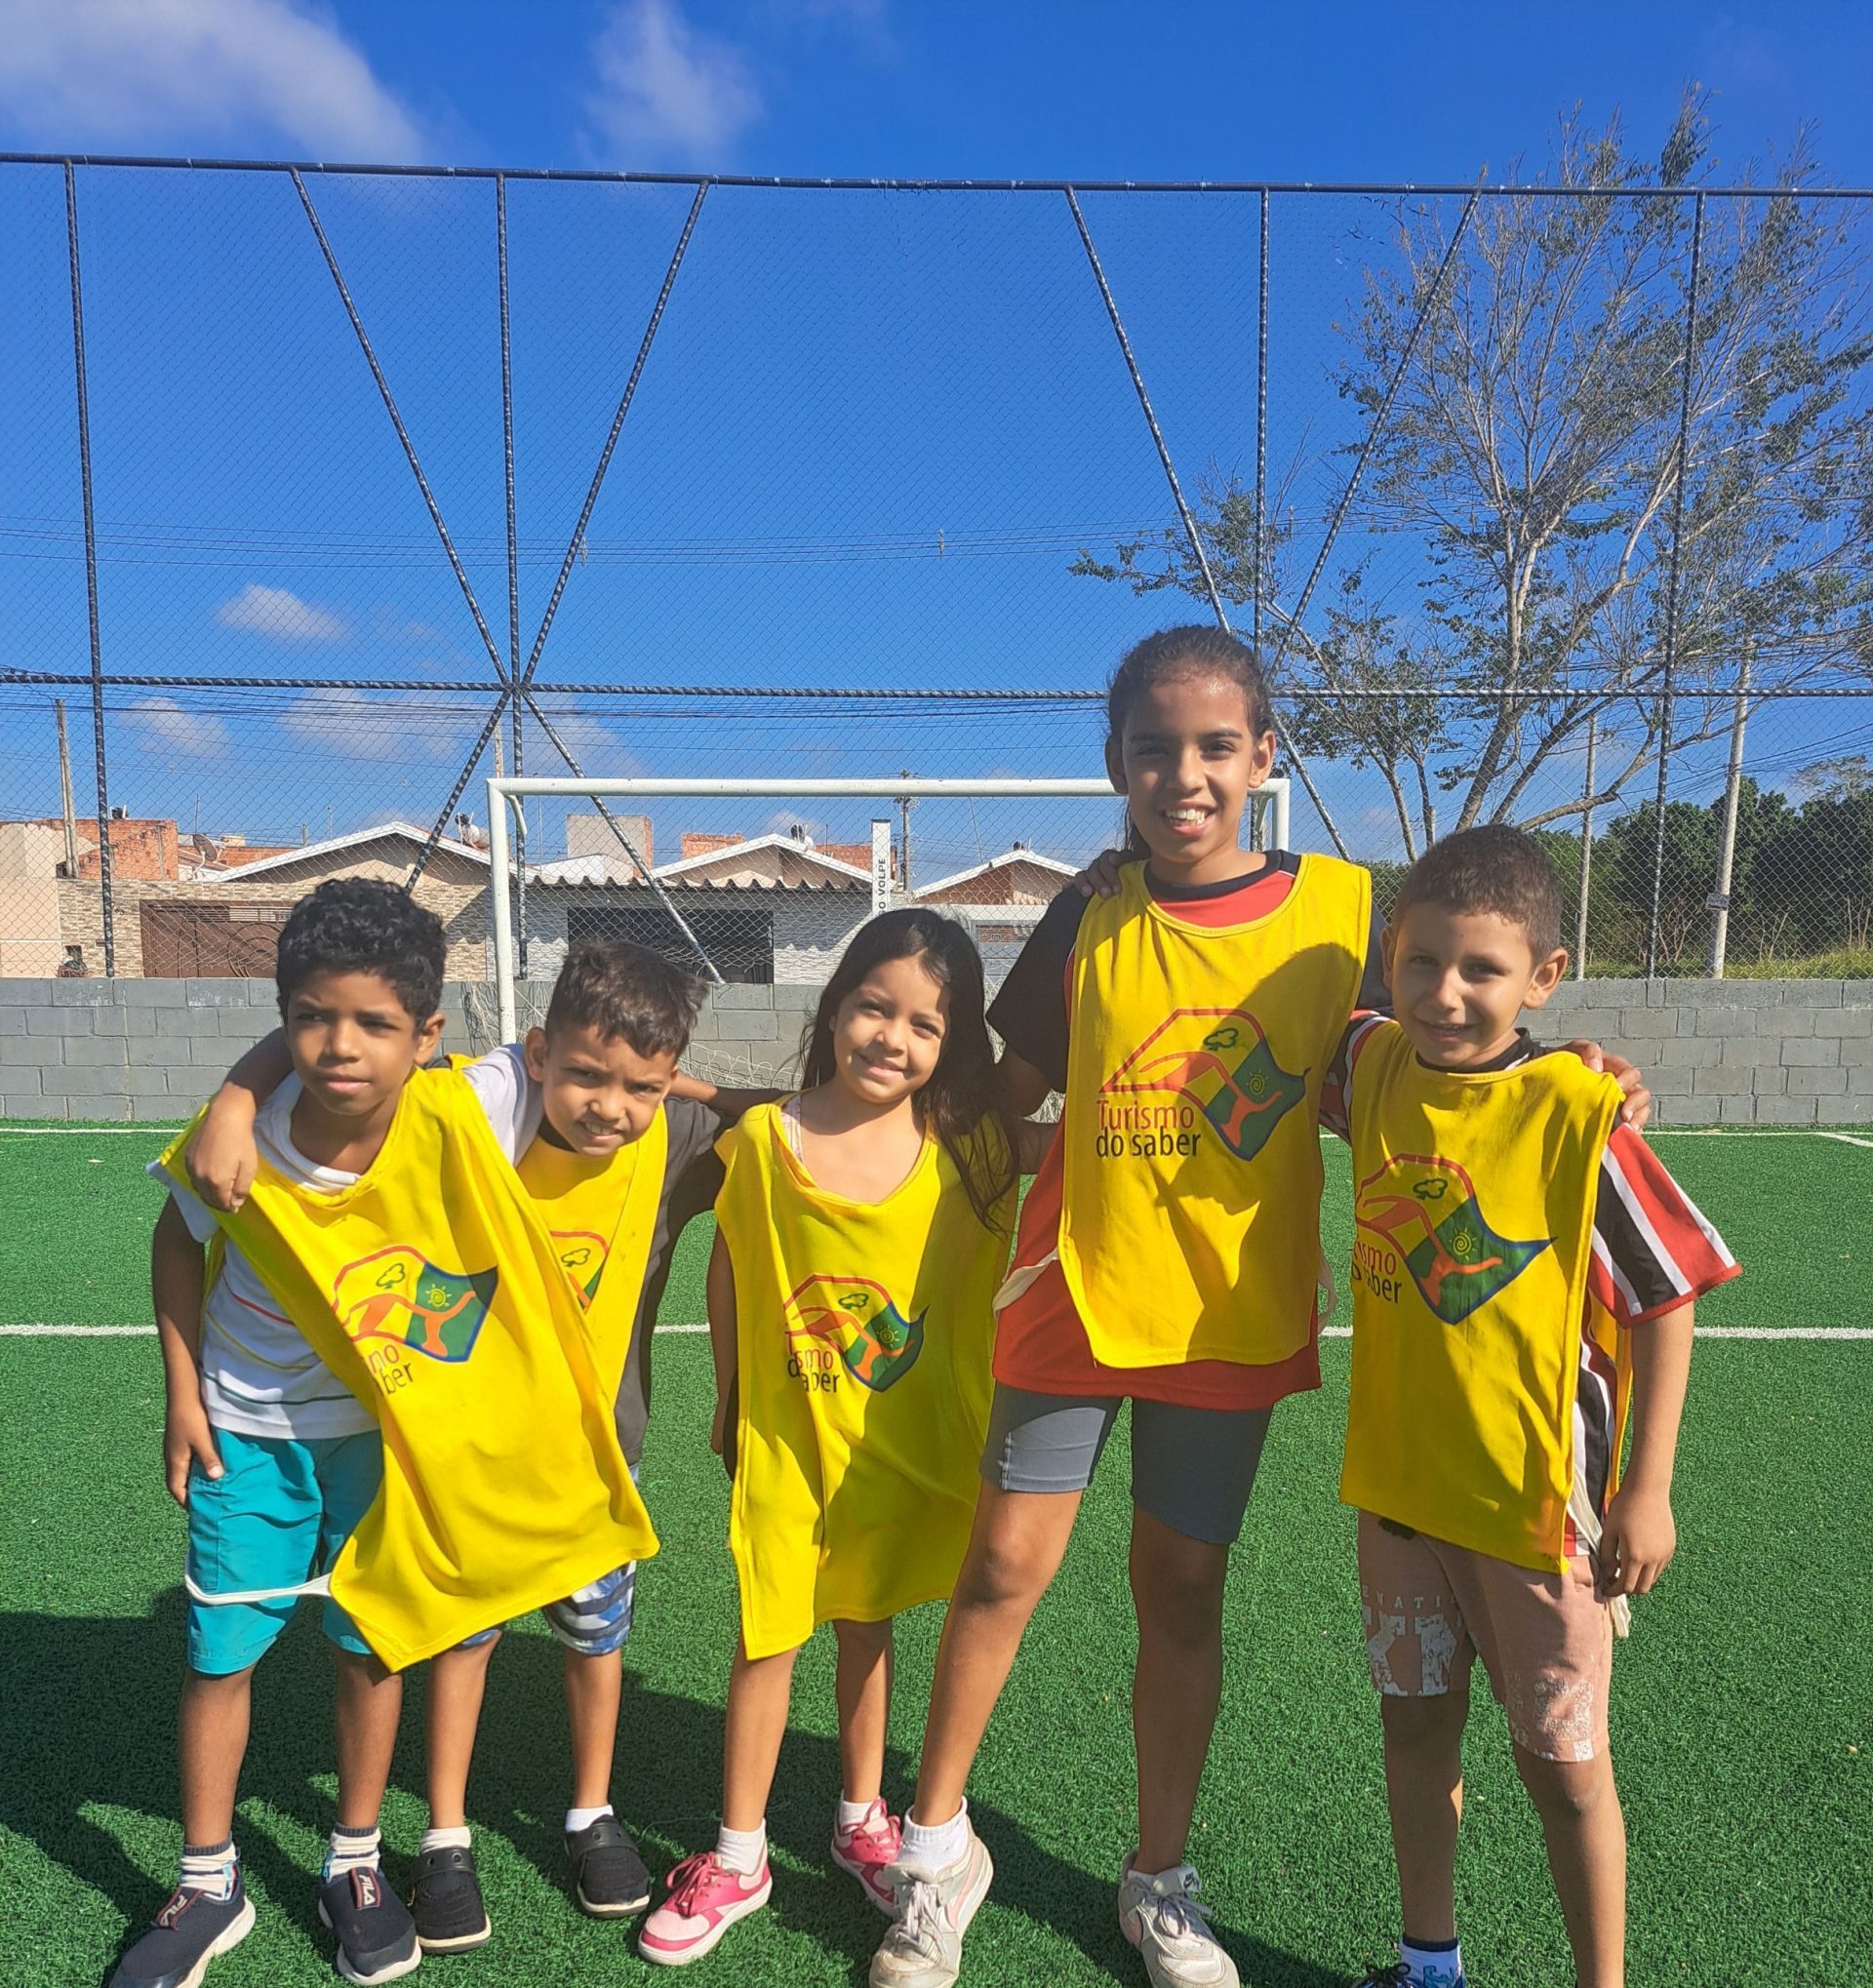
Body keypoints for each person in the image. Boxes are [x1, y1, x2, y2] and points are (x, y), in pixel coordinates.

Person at [869, 627, 1649, 1988]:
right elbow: (1012, 1091)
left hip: (1229, 1321)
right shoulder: (1092, 905)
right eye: (1155, 748)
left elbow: (1438, 1062)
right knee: (998, 1572)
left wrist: (1572, 1067)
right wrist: (867, 1163)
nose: (1185, 773)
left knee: (1180, 1593)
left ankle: (1159, 1880)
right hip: (1073, 1298)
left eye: (1216, 745)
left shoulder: (1347, 915)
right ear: (1115, 763)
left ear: (1264, 756)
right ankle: (936, 1853)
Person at [184, 939, 766, 1954]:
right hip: (467, 1451)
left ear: (667, 1084)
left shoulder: (672, 1145)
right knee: (465, 1633)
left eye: (640, 1084)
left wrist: (680, 1080)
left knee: (596, 1637)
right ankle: (444, 1831)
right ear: (537, 1054)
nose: (607, 1104)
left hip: (595, 1461)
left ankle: (590, 1811)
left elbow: (796, 1116)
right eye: (585, 1073)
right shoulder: (480, 1118)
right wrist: (238, 1098)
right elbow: (357, 1038)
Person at [121, 878, 645, 1988]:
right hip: (247, 1436)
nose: (339, 1045)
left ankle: (353, 1860)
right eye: (311, 1016)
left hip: (384, 1442)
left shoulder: (471, 1102)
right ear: (282, 1014)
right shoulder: (242, 1138)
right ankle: (208, 1881)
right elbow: (175, 1245)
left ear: (428, 1038)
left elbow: (605, 1060)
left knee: (371, 1648)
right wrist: (181, 1389)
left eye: (373, 1024)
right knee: (219, 1656)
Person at [1324, 827, 1735, 1988]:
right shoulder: (1370, 1070)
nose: (1445, 995)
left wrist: (1645, 1491)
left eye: (1482, 971)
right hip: (1400, 1493)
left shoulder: (1578, 1112)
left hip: (1537, 1513)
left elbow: (1667, 1297)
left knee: (1563, 1770)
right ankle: (1429, 1964)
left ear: (1543, 979)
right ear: (1390, 955)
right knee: (1414, 1731)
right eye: (1421, 962)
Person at [638, 910, 1028, 1968]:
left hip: (898, 1453)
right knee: (769, 1633)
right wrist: (727, 1392)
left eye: (926, 1026)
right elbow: (729, 1266)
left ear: (954, 1046)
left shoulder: (968, 1151)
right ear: (835, 1004)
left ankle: (864, 1820)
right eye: (874, 1007)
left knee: (868, 1626)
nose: (892, 1038)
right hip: (786, 1442)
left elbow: (1075, 1149)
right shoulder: (766, 1144)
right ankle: (738, 1851)